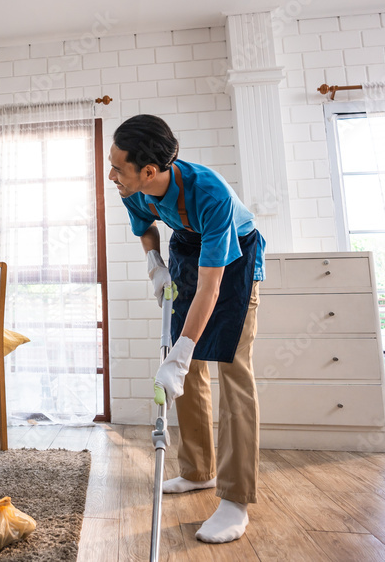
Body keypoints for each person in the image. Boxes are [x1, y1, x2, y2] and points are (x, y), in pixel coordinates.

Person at [109, 114, 264, 544]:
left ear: (150, 171)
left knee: (233, 373)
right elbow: (146, 228)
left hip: (233, 259)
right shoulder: (132, 188)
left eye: (118, 167)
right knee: (188, 372)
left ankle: (236, 500)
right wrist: (153, 263)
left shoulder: (208, 192)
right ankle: (198, 471)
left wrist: (182, 351)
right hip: (187, 247)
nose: (111, 174)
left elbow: (212, 285)